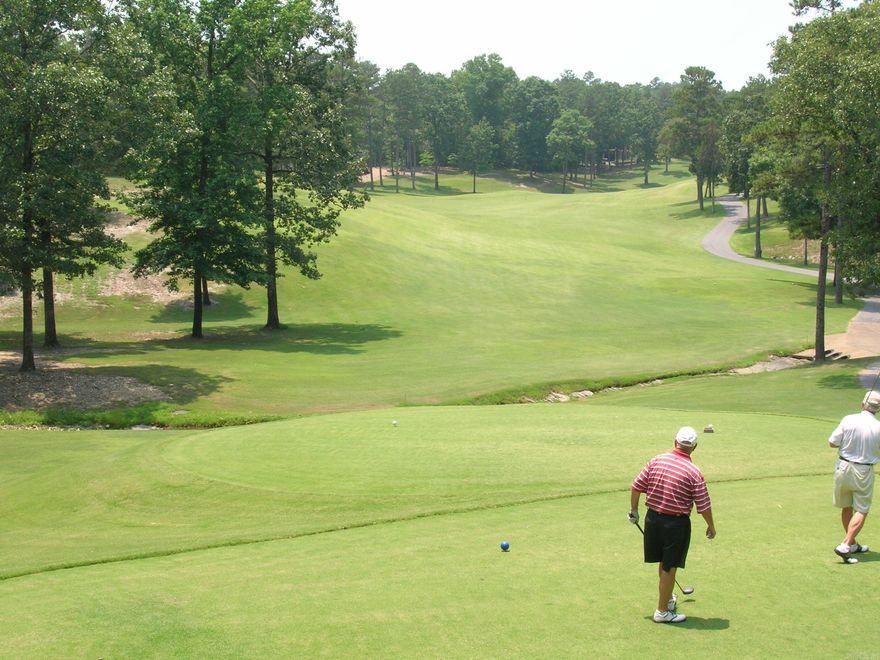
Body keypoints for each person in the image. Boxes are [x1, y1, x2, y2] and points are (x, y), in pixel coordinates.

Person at [629, 426, 716, 624]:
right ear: (694, 447)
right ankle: (662, 612)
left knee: (663, 562)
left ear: (674, 442)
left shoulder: (656, 460)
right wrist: (711, 526)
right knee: (670, 567)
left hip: (653, 519)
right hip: (675, 524)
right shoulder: (694, 472)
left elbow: (636, 486)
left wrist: (634, 511)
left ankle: (667, 601)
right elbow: (703, 506)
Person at [829, 390, 880, 564]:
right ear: (878, 409)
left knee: (847, 507)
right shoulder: (878, 427)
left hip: (842, 467)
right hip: (863, 472)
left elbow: (832, 442)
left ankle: (852, 544)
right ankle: (845, 545)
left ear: (862, 404)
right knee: (862, 510)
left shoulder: (848, 419)